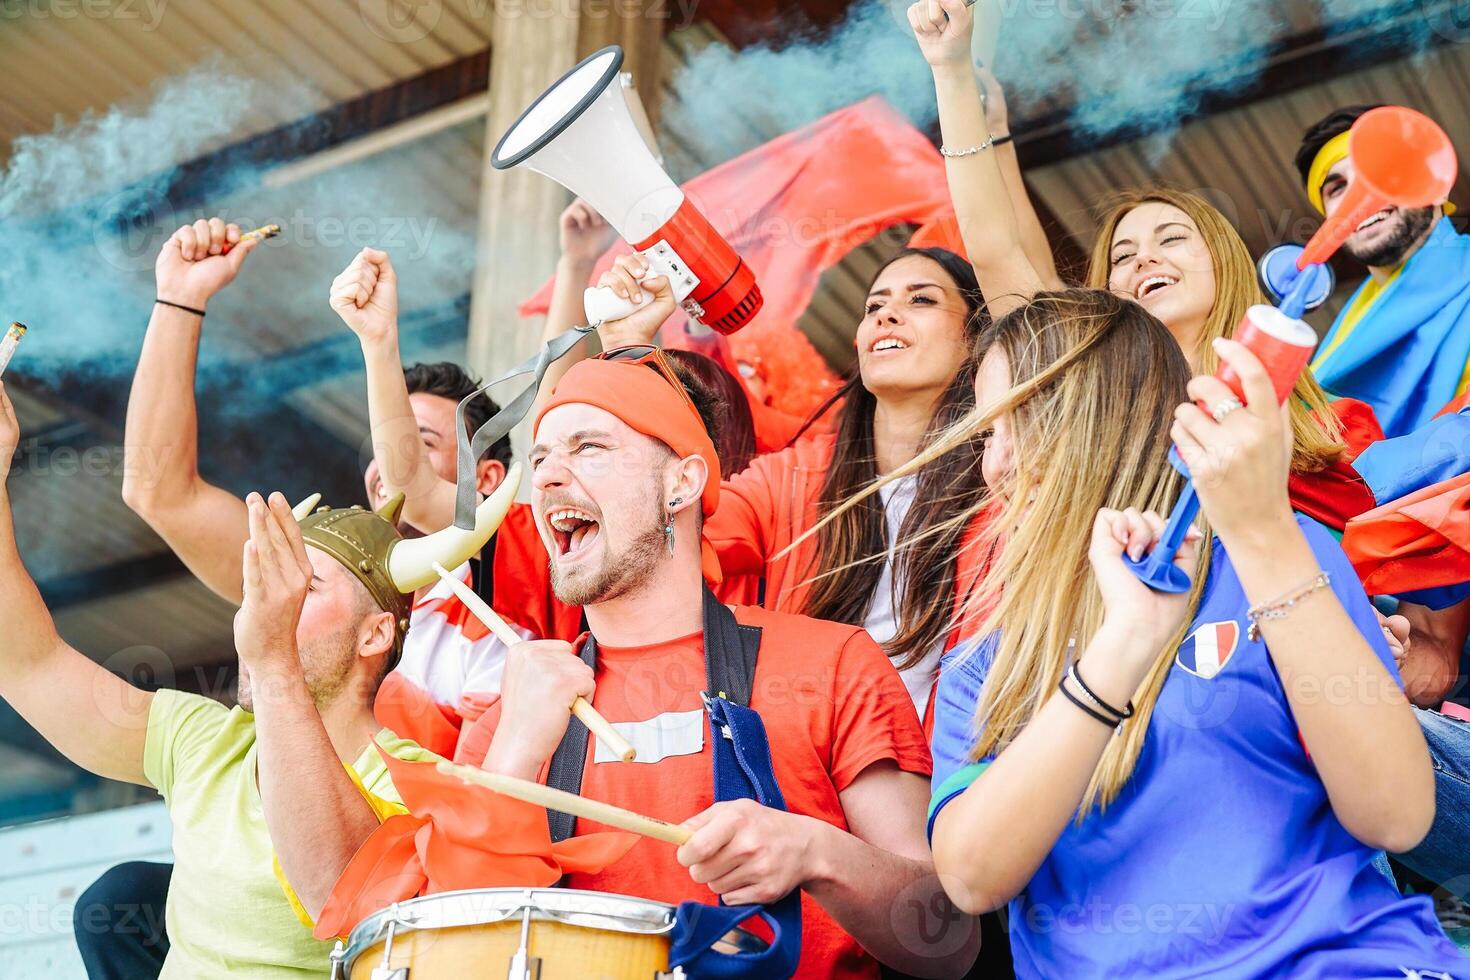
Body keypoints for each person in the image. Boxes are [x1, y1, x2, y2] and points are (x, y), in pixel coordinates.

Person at [898, 288, 1459, 976]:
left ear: (1117, 413)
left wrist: (1262, 531)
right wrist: (1124, 646)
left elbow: (1396, 816)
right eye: (989, 432)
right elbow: (971, 877)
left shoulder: (1277, 554)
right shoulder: (986, 661)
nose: (998, 463)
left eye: (1027, 415)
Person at [473, 344, 979, 978]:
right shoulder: (509, 718)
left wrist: (817, 854)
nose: (546, 476)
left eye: (589, 447)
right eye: (540, 457)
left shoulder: (833, 664)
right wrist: (515, 754)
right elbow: (453, 947)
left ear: (681, 483)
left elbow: (947, 940)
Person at [0, 374, 514, 976]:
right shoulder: (204, 739)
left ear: (375, 634)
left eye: (303, 586)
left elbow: (339, 895)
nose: (263, 603)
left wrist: (272, 660)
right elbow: (25, 662)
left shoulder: (423, 783)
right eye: (264, 585)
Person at [1295, 104, 1470, 438]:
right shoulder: (1341, 339)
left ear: (1432, 181)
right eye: (1337, 188)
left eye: (1377, 171)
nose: (1361, 197)